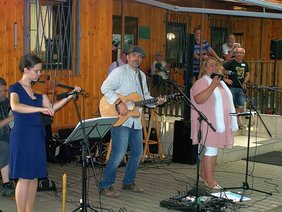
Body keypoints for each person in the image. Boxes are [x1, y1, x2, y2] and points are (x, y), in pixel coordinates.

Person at [9, 53, 81, 212]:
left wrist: (69, 97)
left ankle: (30, 210)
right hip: (22, 136)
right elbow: (15, 107)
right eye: (36, 71)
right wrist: (40, 109)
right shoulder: (15, 88)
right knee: (24, 177)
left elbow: (52, 108)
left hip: (36, 135)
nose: (40, 74)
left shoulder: (38, 91)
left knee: (34, 176)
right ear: (26, 70)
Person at [99, 46, 166, 197]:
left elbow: (145, 98)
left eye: (140, 56)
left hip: (135, 120)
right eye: (134, 55)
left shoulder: (142, 75)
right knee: (118, 153)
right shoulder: (119, 72)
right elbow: (105, 88)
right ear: (127, 57)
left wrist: (156, 102)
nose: (137, 58)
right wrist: (118, 103)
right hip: (120, 119)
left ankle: (128, 183)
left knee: (137, 152)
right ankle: (105, 185)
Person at [190, 57, 238, 189]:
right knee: (211, 149)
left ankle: (203, 176)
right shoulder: (201, 82)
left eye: (216, 65)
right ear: (204, 68)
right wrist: (212, 86)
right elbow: (199, 99)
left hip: (219, 123)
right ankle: (210, 180)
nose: (214, 67)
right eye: (211, 65)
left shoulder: (221, 82)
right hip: (208, 122)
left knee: (211, 149)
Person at [221, 47, 250, 113]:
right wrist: (224, 79)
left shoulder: (245, 64)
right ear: (235, 54)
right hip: (232, 87)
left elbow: (247, 74)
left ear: (243, 54)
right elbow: (221, 69)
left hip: (241, 88)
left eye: (241, 53)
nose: (239, 54)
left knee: (242, 107)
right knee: (231, 107)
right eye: (237, 53)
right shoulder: (231, 62)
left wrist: (245, 82)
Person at [0, 77, 15, 197]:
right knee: (5, 147)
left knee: (19, 143)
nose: (3, 94)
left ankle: (20, 177)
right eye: (0, 91)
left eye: (4, 91)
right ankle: (6, 184)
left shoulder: (6, 101)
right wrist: (11, 118)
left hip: (7, 134)